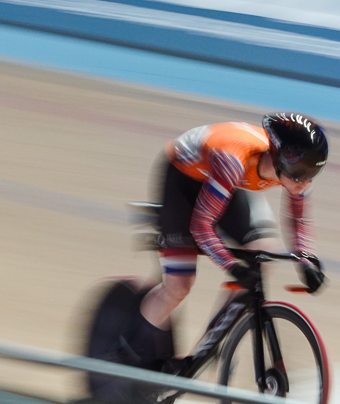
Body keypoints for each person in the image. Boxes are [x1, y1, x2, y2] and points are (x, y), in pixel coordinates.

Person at [130, 112, 329, 366]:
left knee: (263, 254)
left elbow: (298, 221)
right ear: (278, 159)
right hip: (182, 179)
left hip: (224, 182)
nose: (306, 181)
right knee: (178, 285)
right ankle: (131, 356)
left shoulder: (295, 171)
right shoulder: (234, 161)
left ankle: (212, 345)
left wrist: (307, 264)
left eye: (313, 172)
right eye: (301, 172)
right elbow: (202, 227)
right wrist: (231, 266)